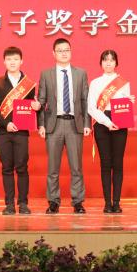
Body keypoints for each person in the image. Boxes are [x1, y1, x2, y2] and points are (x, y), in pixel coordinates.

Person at [38, 38, 90, 214]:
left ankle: (78, 202)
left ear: (71, 51)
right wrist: (41, 124)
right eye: (60, 50)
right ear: (53, 54)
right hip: (54, 125)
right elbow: (41, 101)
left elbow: (85, 100)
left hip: (75, 124)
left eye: (67, 50)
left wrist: (87, 123)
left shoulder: (80, 73)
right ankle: (53, 201)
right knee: (53, 168)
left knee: (76, 167)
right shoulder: (46, 74)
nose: (64, 53)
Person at [0, 47, 40, 215]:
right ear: (4, 62)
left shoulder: (28, 84)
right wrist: (5, 124)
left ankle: (23, 203)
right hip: (4, 132)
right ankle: (9, 204)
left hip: (22, 132)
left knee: (22, 167)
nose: (12, 62)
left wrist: (36, 106)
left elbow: (32, 105)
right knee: (7, 167)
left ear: (21, 61)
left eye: (16, 59)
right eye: (9, 59)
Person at [88, 49, 135, 213]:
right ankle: (107, 203)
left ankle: (117, 202)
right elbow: (91, 108)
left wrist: (129, 101)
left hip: (120, 122)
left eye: (111, 60)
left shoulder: (123, 82)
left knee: (118, 163)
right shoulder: (95, 83)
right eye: (105, 60)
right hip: (102, 123)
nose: (108, 63)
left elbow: (124, 106)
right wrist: (107, 122)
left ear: (116, 63)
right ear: (101, 63)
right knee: (106, 163)